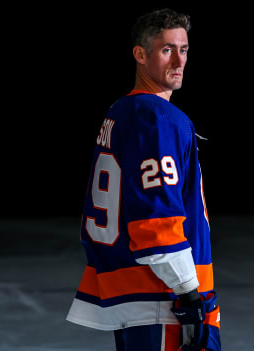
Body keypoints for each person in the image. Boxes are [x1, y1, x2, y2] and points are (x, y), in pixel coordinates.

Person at [66, 8, 221, 351]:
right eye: (167, 50)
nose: (179, 61)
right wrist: (190, 294)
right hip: (164, 300)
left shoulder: (120, 111)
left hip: (139, 299)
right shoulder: (157, 117)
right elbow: (156, 221)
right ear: (140, 54)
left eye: (184, 49)